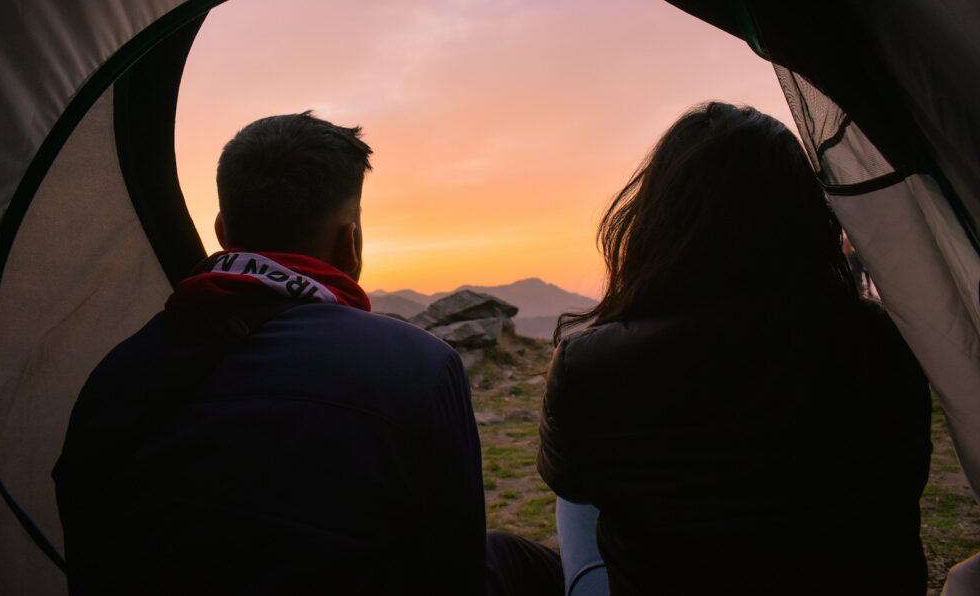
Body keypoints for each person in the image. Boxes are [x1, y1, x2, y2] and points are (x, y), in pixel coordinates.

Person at [54, 112, 560, 595]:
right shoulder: (418, 368)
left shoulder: (116, 372)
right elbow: (455, 574)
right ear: (351, 242)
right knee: (521, 562)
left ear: (223, 233)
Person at [537, 102, 932, 595]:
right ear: (808, 217)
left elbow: (570, 478)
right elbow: (905, 477)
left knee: (523, 542)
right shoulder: (882, 344)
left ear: (659, 221)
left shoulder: (593, 366)